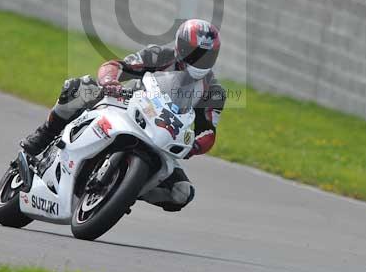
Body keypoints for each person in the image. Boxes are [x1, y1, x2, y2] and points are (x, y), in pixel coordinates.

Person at [20, 19, 226, 212]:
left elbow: (208, 131)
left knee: (182, 192)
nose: (200, 61)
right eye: (195, 54)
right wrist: (110, 82)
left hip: (160, 137)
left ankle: (125, 190)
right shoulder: (159, 56)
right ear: (181, 47)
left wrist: (195, 146)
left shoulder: (213, 92)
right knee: (79, 87)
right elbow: (116, 66)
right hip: (124, 107)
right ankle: (45, 134)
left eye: (207, 56)